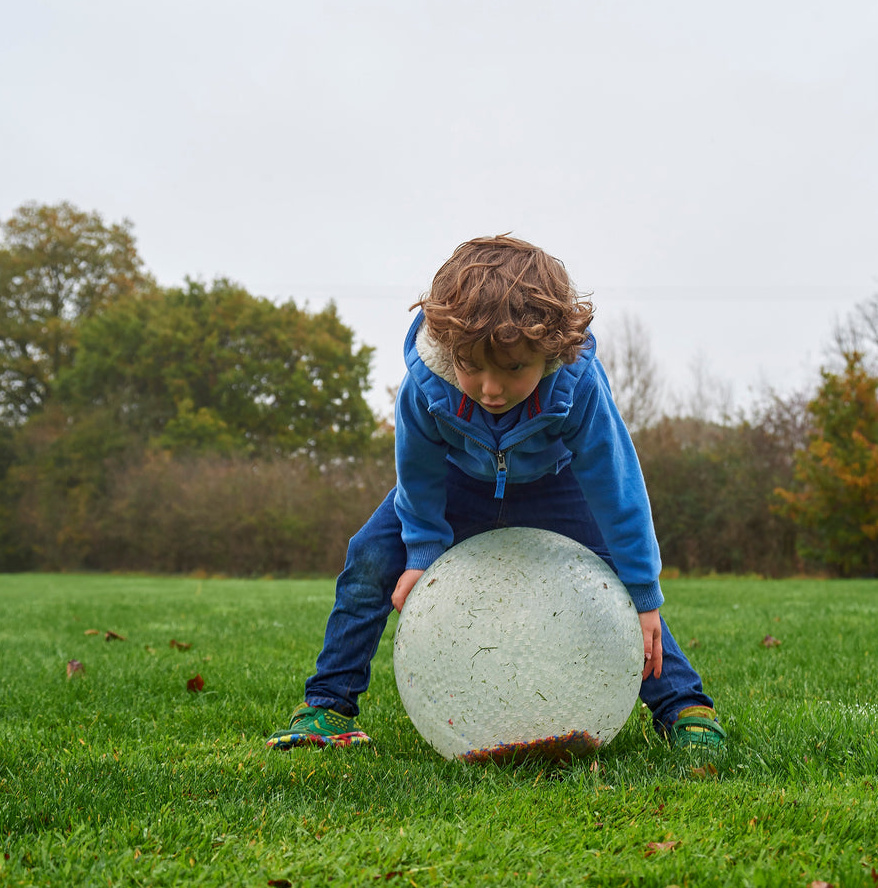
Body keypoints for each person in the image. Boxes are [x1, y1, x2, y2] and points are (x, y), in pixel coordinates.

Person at [268, 235, 724, 752]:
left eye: (513, 369)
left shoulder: (577, 385)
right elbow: (416, 476)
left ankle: (685, 708)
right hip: (456, 488)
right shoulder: (427, 382)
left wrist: (642, 593)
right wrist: (422, 551)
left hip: (559, 486)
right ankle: (328, 705)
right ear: (448, 348)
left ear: (550, 350)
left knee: (618, 589)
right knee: (369, 555)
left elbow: (617, 490)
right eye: (472, 366)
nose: (490, 389)